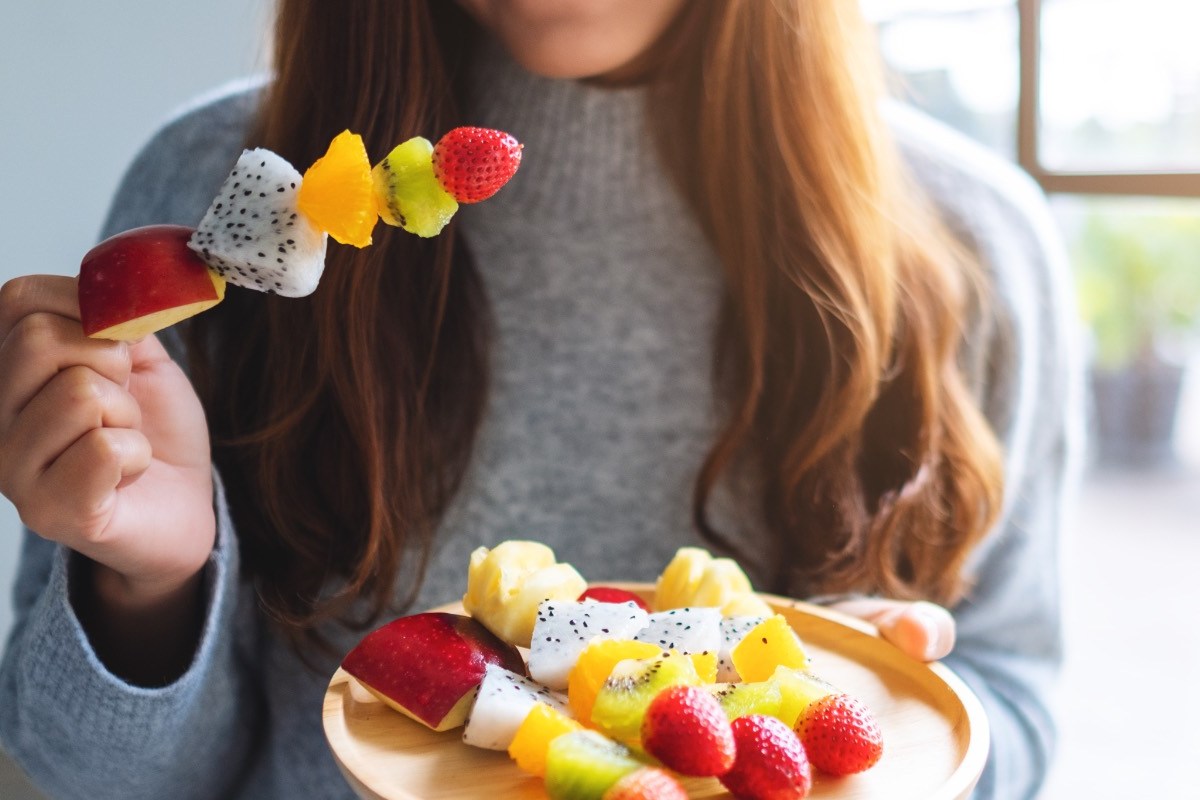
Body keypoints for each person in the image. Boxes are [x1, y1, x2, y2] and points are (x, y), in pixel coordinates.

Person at [0, 1, 1080, 798]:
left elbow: (1017, 704)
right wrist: (147, 581)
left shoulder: (974, 242)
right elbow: (84, 770)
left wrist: (886, 711)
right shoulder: (208, 179)